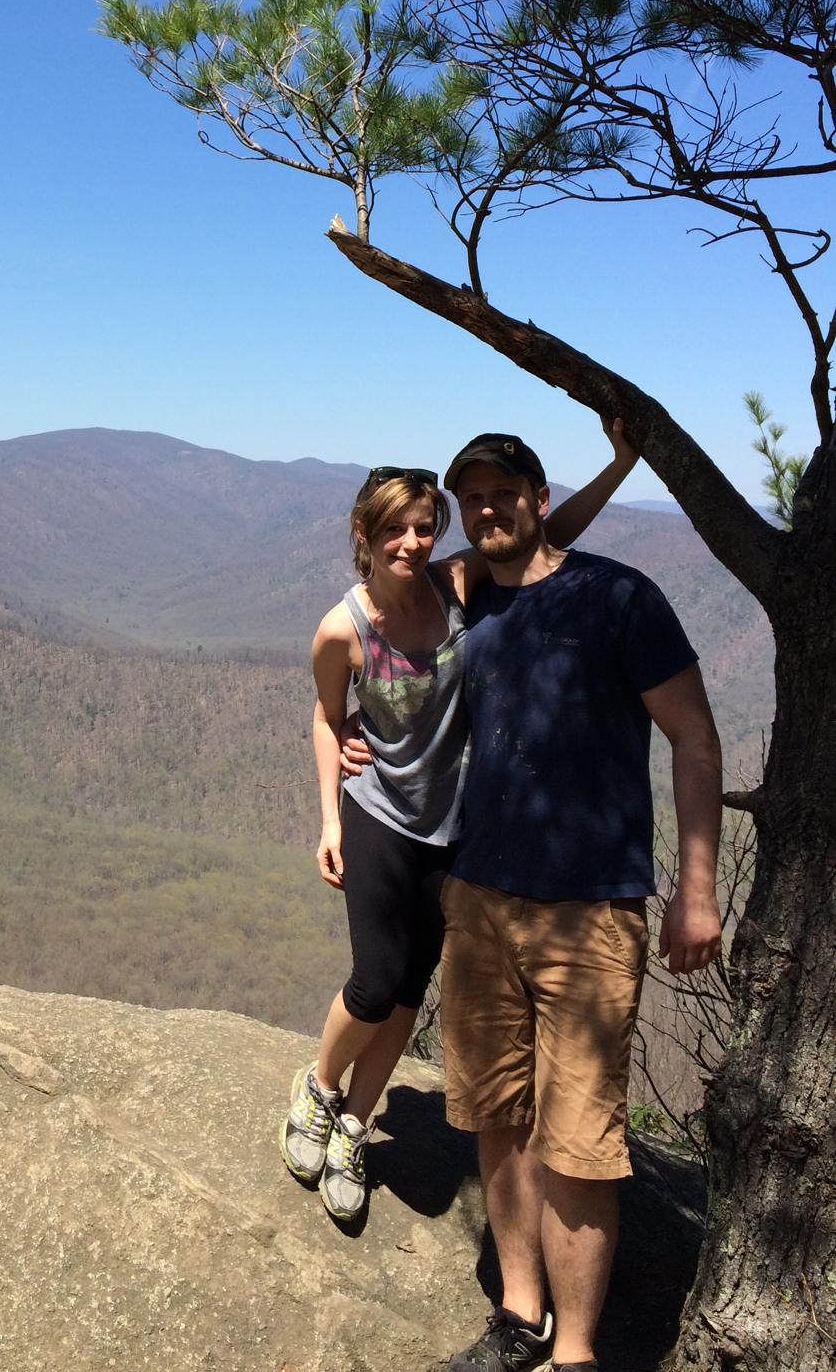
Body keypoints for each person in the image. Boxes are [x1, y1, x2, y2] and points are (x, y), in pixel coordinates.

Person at [280, 423, 640, 1225]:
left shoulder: (456, 587)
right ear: (363, 536)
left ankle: (354, 1127)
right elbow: (322, 715)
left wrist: (620, 464)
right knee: (375, 982)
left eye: (422, 525)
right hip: (379, 815)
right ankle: (318, 1087)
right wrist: (329, 821)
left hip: (453, 829)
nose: (411, 541)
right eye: (394, 529)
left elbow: (545, 538)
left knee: (410, 989)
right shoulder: (344, 630)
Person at [425, 434, 721, 1372]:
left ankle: (578, 1355)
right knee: (496, 1114)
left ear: (538, 497)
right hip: (478, 898)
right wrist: (337, 730)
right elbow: (383, 597)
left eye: (502, 494)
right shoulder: (471, 593)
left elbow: (696, 736)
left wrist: (697, 892)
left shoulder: (620, 599)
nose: (485, 510)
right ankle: (520, 1315)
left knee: (582, 1140)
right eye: (469, 499)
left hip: (590, 911)